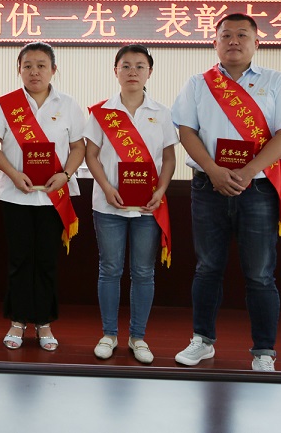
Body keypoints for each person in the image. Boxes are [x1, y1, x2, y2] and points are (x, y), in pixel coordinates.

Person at [171, 13, 281, 372]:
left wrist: (248, 171)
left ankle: (264, 351)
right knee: (207, 268)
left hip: (259, 188)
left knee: (260, 273)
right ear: (214, 43)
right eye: (226, 35)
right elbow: (186, 131)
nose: (233, 41)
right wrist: (214, 170)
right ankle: (202, 341)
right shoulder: (198, 84)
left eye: (242, 35)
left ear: (256, 42)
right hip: (208, 186)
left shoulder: (276, 81)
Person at [0, 42, 85, 352]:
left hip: (54, 196)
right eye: (27, 65)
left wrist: (65, 174)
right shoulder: (6, 105)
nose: (34, 71)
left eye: (41, 65)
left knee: (46, 261)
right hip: (16, 195)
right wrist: (14, 174)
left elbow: (79, 147)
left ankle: (44, 322)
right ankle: (17, 321)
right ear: (19, 70)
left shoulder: (68, 105)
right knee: (19, 260)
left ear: (53, 70)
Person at [84, 45, 177, 364]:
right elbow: (91, 155)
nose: (132, 71)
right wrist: (106, 188)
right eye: (126, 66)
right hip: (109, 205)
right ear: (116, 71)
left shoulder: (162, 113)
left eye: (139, 66)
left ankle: (138, 337)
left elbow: (168, 157)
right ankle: (109, 334)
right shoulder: (101, 111)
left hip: (148, 206)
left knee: (143, 272)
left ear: (150, 72)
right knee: (110, 270)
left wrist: (161, 190)